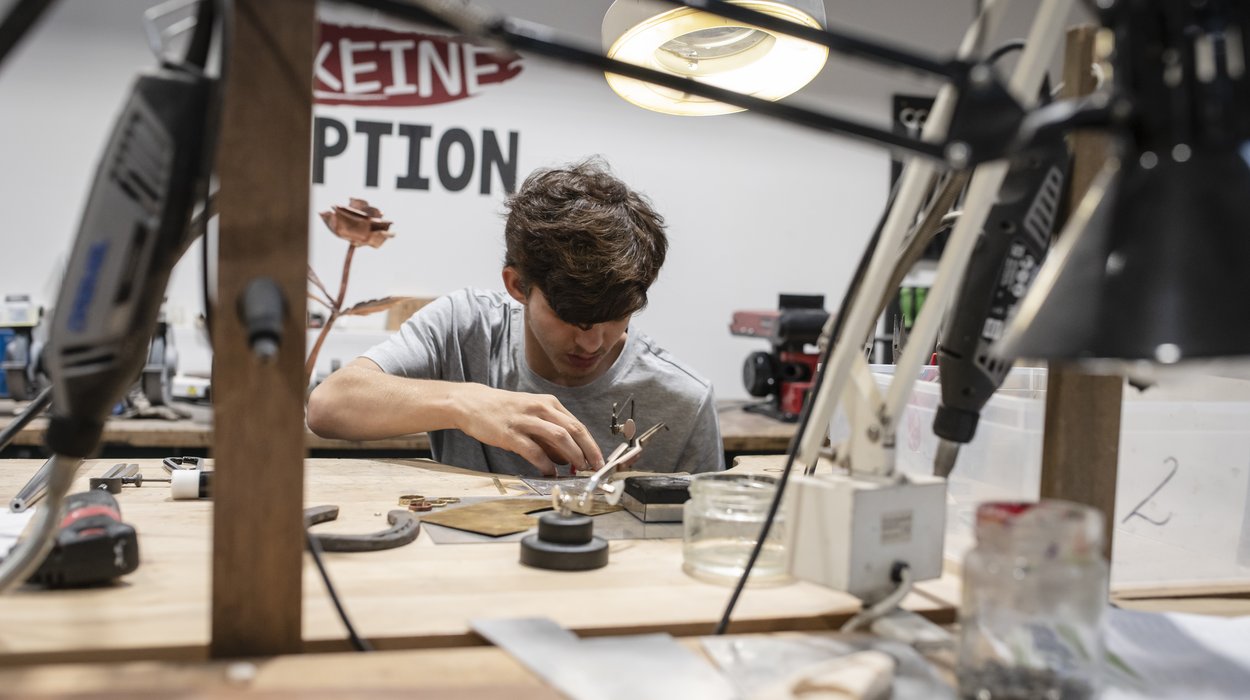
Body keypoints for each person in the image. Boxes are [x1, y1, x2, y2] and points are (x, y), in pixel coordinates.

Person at [306, 158, 724, 478]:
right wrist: (464, 402)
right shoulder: (463, 328)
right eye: (571, 318)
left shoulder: (684, 402)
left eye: (615, 318)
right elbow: (327, 407)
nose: (593, 343)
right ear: (518, 285)